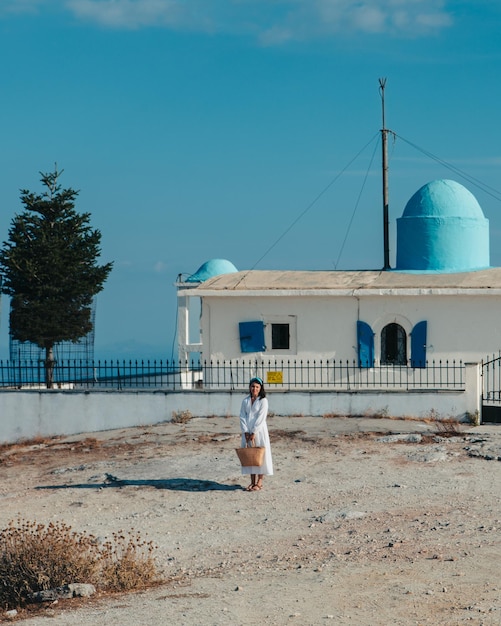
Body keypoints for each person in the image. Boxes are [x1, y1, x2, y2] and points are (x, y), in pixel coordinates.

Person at [239, 376, 273, 491]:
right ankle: (252, 482)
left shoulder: (263, 401)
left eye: (257, 387)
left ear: (260, 388)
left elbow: (261, 417)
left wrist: (254, 431)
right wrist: (245, 431)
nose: (255, 389)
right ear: (250, 387)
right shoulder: (245, 401)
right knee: (250, 455)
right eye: (253, 386)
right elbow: (242, 416)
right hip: (247, 432)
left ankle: (259, 482)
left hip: (259, 431)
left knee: (260, 455)